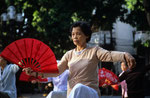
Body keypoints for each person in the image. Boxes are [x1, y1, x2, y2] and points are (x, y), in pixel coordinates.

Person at [23, 21, 136, 98]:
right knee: (56, 94)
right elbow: (56, 70)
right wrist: (35, 72)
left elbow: (110, 55)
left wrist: (125, 55)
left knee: (78, 87)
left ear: (86, 35)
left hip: (91, 93)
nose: (75, 37)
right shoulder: (69, 55)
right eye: (73, 34)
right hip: (72, 94)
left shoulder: (94, 51)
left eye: (78, 34)